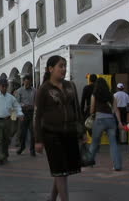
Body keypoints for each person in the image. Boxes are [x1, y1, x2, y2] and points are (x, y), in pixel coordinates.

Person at [35, 55, 87, 201]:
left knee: (63, 171)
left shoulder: (70, 86)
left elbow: (77, 109)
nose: (63, 69)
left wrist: (82, 131)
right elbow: (37, 116)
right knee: (60, 170)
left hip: (69, 133)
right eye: (60, 66)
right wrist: (38, 140)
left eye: (65, 66)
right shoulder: (43, 89)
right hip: (51, 134)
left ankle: (52, 198)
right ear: (51, 69)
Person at [0, 78, 24, 165]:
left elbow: (16, 106)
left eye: (6, 86)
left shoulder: (11, 97)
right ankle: (0, 156)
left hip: (8, 120)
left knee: (6, 139)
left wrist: (20, 114)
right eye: (3, 86)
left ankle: (5, 154)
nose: (4, 88)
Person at [88, 78, 123, 171]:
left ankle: (89, 162)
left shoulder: (94, 95)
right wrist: (119, 122)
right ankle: (117, 165)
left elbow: (92, 110)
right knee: (113, 143)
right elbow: (116, 110)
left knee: (95, 143)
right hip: (111, 120)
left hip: (99, 119)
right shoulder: (112, 96)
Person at [15, 74, 36, 156]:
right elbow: (17, 103)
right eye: (25, 83)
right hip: (23, 113)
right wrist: (23, 105)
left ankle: (32, 149)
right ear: (23, 82)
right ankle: (22, 147)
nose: (27, 85)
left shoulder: (34, 91)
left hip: (32, 113)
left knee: (33, 132)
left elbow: (36, 101)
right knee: (22, 133)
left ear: (31, 82)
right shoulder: (19, 91)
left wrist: (34, 106)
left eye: (28, 83)